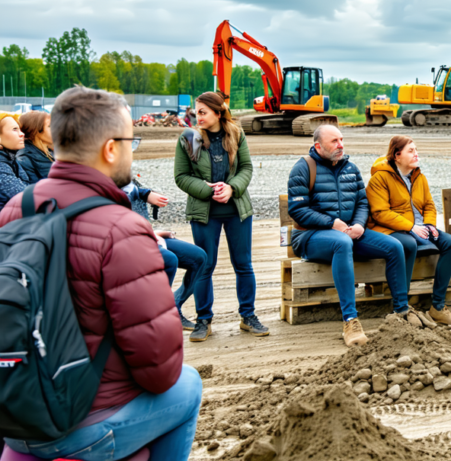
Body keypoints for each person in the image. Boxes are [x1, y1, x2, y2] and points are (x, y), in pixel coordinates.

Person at [0, 86, 200, 461]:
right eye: (130, 141)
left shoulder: (14, 209)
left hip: (16, 412)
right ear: (111, 149)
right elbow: (159, 368)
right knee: (187, 385)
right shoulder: (122, 227)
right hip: (81, 423)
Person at [288, 125, 418, 347]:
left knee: (394, 246)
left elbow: (362, 202)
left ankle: (402, 311)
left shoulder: (351, 168)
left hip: (349, 233)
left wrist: (358, 224)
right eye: (334, 141)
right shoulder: (303, 169)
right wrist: (332, 223)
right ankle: (350, 320)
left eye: (341, 139)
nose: (341, 145)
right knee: (341, 243)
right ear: (318, 146)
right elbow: (297, 210)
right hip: (310, 237)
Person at [174, 91, 267, 342]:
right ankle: (204, 320)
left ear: (218, 112)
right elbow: (181, 177)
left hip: (237, 209)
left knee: (243, 264)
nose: (197, 116)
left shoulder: (236, 133)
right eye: (196, 111)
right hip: (204, 213)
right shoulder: (188, 138)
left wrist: (231, 188)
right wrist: (207, 190)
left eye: (202, 112)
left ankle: (248, 317)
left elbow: (246, 168)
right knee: (205, 265)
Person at [367, 136, 451, 328]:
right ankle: (402, 307)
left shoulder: (419, 177)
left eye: (416, 149)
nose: (416, 154)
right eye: (411, 150)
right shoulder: (380, 178)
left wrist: (429, 226)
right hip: (392, 229)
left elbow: (429, 205)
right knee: (408, 244)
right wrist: (411, 227)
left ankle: (438, 307)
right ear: (397, 155)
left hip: (420, 228)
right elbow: (380, 213)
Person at [122, 178, 207, 330]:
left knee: (199, 257)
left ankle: (173, 307)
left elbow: (131, 190)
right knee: (169, 259)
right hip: (128, 241)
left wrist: (147, 194)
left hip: (147, 235)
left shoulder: (123, 176)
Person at [16, 110, 54, 184]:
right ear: (34, 130)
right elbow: (32, 191)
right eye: (50, 126)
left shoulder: (49, 152)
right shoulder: (24, 158)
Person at [0, 112, 28, 206]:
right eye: (15, 129)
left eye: (20, 129)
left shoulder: (10, 158)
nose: (22, 134)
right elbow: (24, 196)